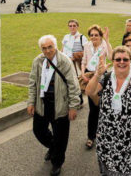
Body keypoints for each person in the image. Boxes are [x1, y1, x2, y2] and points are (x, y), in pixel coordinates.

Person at [86, 47, 131, 175]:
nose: (121, 62)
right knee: (109, 167)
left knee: (129, 168)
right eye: (118, 59)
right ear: (113, 61)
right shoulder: (106, 78)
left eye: (125, 59)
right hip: (107, 135)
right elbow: (90, 92)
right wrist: (97, 74)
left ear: (130, 61)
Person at [27, 35, 80, 176]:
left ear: (55, 46)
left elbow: (73, 86)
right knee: (38, 130)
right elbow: (32, 83)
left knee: (61, 136)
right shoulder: (38, 61)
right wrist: (31, 102)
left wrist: (73, 106)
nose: (47, 50)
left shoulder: (64, 61)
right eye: (44, 48)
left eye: (50, 47)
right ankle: (53, 147)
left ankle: (57, 163)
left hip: (61, 105)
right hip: (42, 104)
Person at [81, 25, 112, 149]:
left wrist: (108, 40)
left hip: (102, 76)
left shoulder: (104, 45)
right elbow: (84, 60)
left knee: (103, 106)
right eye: (91, 35)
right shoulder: (87, 46)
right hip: (90, 76)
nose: (94, 37)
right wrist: (82, 73)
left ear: (100, 36)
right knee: (93, 108)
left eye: (96, 35)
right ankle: (91, 136)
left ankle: (104, 133)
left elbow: (110, 57)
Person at [62, 19, 88, 107]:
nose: (72, 27)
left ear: (77, 26)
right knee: (68, 82)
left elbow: (86, 51)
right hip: (66, 62)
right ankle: (70, 101)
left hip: (76, 63)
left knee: (76, 82)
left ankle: (80, 101)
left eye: (74, 25)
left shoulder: (82, 37)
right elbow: (62, 49)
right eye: (70, 26)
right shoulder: (66, 37)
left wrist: (75, 56)